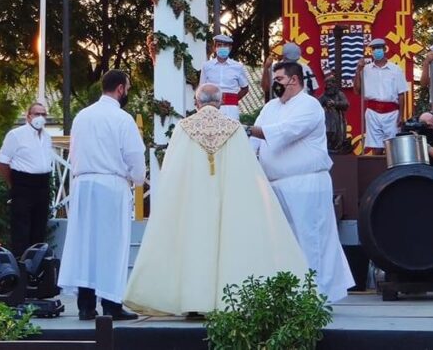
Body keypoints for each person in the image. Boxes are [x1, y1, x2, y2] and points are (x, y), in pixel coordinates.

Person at [124, 84, 308, 316]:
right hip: (226, 198)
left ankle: (193, 302)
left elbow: (171, 168)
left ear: (197, 103)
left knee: (194, 245)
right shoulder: (233, 128)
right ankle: (228, 301)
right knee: (226, 245)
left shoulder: (183, 127)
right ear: (220, 103)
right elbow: (247, 169)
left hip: (191, 200)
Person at [250, 63, 355, 302]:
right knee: (284, 241)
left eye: (278, 78)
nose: (274, 83)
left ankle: (315, 294)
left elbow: (285, 132)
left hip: (306, 182)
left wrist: (247, 130)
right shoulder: (270, 107)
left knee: (311, 238)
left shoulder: (309, 105)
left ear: (294, 80)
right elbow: (254, 142)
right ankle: (289, 293)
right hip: (275, 183)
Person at [57, 70, 145, 322]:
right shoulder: (122, 118)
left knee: (86, 245)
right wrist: (136, 178)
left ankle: (86, 305)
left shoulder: (82, 116)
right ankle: (111, 304)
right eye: (127, 87)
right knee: (111, 246)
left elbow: (74, 152)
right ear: (119, 89)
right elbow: (134, 155)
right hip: (110, 183)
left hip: (83, 184)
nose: (127, 92)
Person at [0, 102, 55, 258]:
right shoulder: (16, 135)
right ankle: (21, 267)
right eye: (37, 114)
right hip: (23, 184)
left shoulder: (47, 137)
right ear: (28, 116)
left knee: (39, 229)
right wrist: (13, 184)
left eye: (43, 114)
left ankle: (36, 267)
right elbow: (2, 162)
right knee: (21, 230)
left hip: (42, 185)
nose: (40, 117)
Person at [355, 38, 409, 155]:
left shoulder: (396, 69)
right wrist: (358, 70)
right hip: (373, 111)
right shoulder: (366, 69)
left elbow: (401, 94)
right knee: (376, 147)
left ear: (385, 49)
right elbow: (357, 90)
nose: (376, 51)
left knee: (392, 147)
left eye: (379, 48)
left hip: (391, 112)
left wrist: (401, 115)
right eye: (374, 49)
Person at [199, 33, 250, 121]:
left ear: (230, 48)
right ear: (214, 48)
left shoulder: (237, 66)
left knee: (231, 131)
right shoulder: (206, 66)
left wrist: (233, 99)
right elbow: (202, 88)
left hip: (231, 107)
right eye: (219, 45)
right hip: (211, 107)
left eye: (225, 45)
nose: (222, 47)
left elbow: (245, 88)